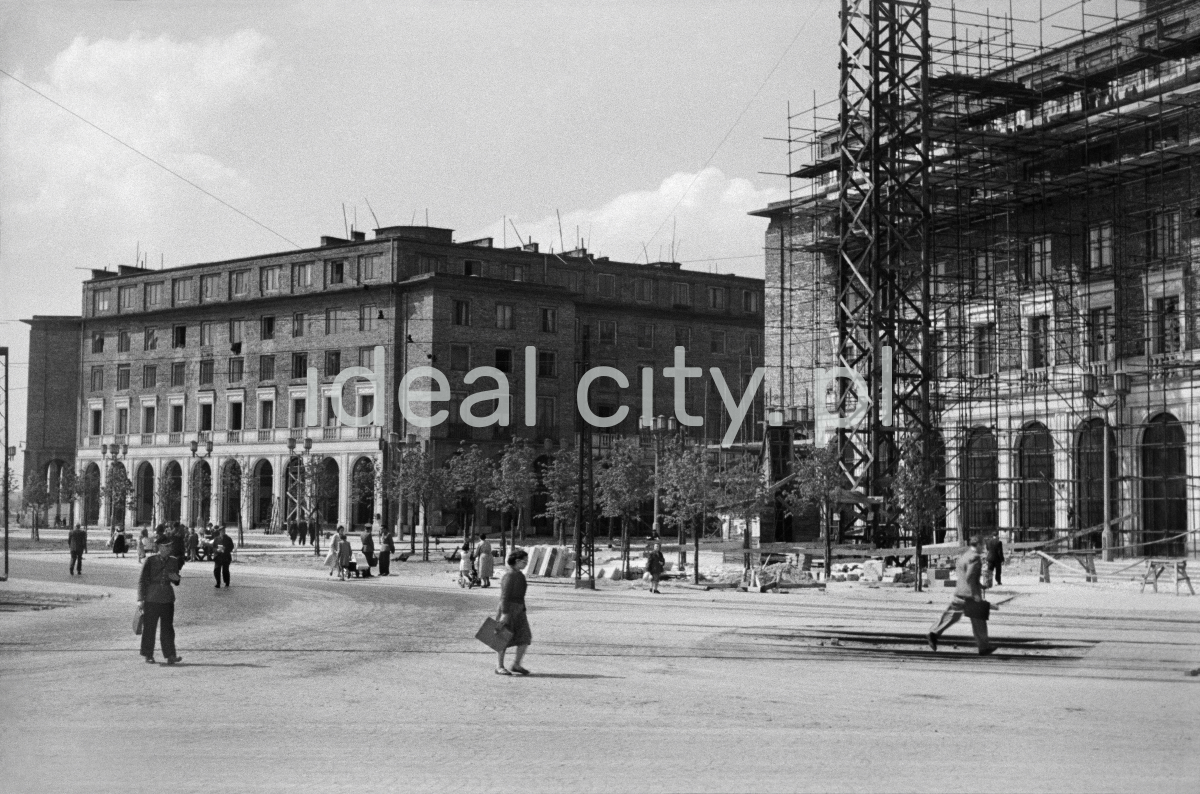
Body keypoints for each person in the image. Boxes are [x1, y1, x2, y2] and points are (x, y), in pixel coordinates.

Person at [927, 536, 996, 655]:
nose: (983, 548)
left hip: (960, 592)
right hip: (969, 595)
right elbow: (970, 576)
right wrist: (976, 594)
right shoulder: (975, 558)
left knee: (951, 615)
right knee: (979, 620)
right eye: (983, 545)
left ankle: (933, 633)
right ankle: (984, 647)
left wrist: (979, 585)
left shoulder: (965, 556)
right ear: (978, 545)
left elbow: (964, 574)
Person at [138, 539, 182, 665]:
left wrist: (176, 578)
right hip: (152, 598)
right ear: (159, 547)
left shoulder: (173, 561)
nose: (169, 548)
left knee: (168, 628)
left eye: (170, 546)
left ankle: (170, 655)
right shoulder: (150, 561)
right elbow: (141, 580)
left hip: (167, 599)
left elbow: (176, 581)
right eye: (166, 546)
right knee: (149, 628)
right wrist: (140, 599)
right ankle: (148, 654)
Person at [495, 549, 532, 675]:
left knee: (525, 636)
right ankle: (499, 666)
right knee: (503, 637)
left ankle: (516, 664)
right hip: (508, 609)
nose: (526, 563)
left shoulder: (520, 575)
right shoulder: (509, 575)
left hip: (519, 609)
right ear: (517, 561)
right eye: (524, 561)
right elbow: (504, 596)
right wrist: (504, 613)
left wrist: (523, 609)